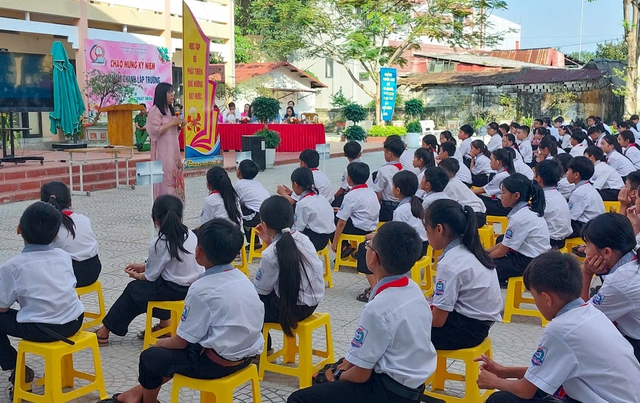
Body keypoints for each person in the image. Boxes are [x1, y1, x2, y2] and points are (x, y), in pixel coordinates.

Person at [97, 219, 265, 403]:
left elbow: (181, 342)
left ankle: (146, 401)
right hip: (245, 357)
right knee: (175, 355)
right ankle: (132, 395)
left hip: (215, 364)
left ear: (199, 251)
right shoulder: (242, 279)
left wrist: (162, 343)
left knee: (151, 357)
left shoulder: (201, 288)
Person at [287, 222, 437, 403]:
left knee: (300, 398)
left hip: (389, 391)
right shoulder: (413, 289)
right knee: (339, 367)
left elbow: (360, 375)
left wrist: (335, 376)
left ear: (373, 258)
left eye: (369, 245)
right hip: (412, 384)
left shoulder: (377, 308)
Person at [476, 251, 640, 402]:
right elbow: (546, 372)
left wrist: (494, 381)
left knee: (501, 400)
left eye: (534, 296)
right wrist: (505, 372)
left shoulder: (561, 329)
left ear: (547, 298)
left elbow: (525, 390)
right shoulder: (590, 312)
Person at [95, 195, 204, 346]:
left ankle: (104, 331)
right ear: (180, 216)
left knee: (134, 290)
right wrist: (144, 266)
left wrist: (138, 276)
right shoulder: (190, 235)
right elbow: (166, 265)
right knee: (145, 292)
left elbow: (151, 277)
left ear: (155, 219)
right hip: (192, 287)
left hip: (173, 289)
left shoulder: (160, 243)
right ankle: (165, 324)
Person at [0, 202, 84, 393]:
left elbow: (2, 308)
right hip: (75, 321)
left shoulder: (12, 267)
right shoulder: (64, 256)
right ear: (56, 235)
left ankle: (16, 368)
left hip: (42, 330)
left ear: (19, 229)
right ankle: (18, 369)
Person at [424, 199, 501, 350]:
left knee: (400, 331)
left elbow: (438, 321)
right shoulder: (471, 249)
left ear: (439, 229)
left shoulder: (450, 263)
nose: (426, 235)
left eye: (427, 230)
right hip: (478, 326)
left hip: (463, 332)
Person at [254, 196, 324, 349]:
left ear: (264, 225)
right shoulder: (304, 239)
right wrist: (269, 242)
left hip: (290, 310)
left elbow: (261, 291)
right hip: (312, 304)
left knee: (249, 305)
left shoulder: (270, 253)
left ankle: (264, 350)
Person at [356, 171, 429, 302]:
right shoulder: (418, 204)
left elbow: (396, 236)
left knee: (364, 248)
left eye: (393, 185)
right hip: (422, 246)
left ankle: (375, 290)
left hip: (407, 249)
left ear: (398, 190)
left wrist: (374, 237)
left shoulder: (401, 210)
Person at [580, 214, 640, 362]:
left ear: (607, 252)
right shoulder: (632, 257)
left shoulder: (621, 281)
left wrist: (586, 273)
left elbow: (580, 318)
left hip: (635, 347)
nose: (585, 251)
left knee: (579, 342)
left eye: (587, 245)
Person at [486, 174, 550, 286]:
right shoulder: (527, 210)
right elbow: (505, 243)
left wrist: (482, 258)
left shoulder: (519, 218)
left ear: (516, 196)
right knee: (501, 239)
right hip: (536, 256)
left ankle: (503, 280)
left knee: (486, 267)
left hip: (529, 262)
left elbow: (501, 251)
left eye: (503, 193)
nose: (501, 196)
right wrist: (485, 252)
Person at [41, 181, 101, 288]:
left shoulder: (49, 226)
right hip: (93, 270)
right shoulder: (84, 219)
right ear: (70, 201)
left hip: (70, 275)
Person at [147, 83, 185, 202]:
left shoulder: (170, 110)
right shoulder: (155, 110)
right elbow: (154, 131)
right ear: (162, 94)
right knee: (166, 177)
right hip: (162, 152)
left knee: (174, 176)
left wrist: (180, 126)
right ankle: (165, 205)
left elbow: (173, 132)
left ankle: (176, 205)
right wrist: (171, 123)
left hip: (173, 150)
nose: (173, 95)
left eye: (173, 92)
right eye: (169, 92)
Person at [332, 162, 380, 259]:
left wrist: (335, 241)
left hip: (358, 228)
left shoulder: (351, 196)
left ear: (349, 179)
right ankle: (350, 248)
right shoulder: (371, 191)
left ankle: (344, 247)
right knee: (338, 212)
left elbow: (342, 222)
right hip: (371, 226)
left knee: (332, 218)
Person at [289, 167, 336, 251]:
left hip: (313, 241)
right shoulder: (320, 197)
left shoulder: (302, 204)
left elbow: (298, 230)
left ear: (295, 184)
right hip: (325, 239)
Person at [533, 161, 572, 249]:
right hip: (561, 239)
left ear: (539, 178)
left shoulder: (544, 198)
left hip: (549, 241)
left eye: (534, 174)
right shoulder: (558, 194)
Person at [440, 158, 487, 227]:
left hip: (473, 216)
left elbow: (452, 207)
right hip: (481, 213)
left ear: (443, 171)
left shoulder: (450, 186)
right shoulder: (456, 180)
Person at [565, 156, 605, 238]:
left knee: (555, 230)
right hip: (595, 224)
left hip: (585, 227)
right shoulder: (587, 187)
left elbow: (571, 217)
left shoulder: (579, 193)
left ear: (576, 175)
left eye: (568, 170)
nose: (566, 173)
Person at [234, 159, 270, 242]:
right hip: (267, 213)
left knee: (236, 216)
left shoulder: (239, 185)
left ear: (239, 172)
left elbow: (237, 202)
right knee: (246, 211)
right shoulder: (256, 183)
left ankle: (249, 242)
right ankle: (255, 242)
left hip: (257, 216)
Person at [473, 148, 515, 216]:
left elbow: (483, 189)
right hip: (504, 204)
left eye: (491, 159)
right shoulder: (506, 172)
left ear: (498, 162)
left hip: (501, 207)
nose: (490, 162)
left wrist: (468, 192)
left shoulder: (501, 176)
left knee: (475, 200)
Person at [373, 136, 404, 222]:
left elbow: (377, 192)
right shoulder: (405, 168)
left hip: (387, 209)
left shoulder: (383, 170)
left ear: (389, 154)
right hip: (402, 205)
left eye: (384, 152)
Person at [333, 141, 371, 207]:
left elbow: (342, 189)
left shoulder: (348, 169)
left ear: (344, 154)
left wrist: (333, 197)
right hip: (368, 195)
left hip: (354, 198)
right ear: (360, 154)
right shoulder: (365, 167)